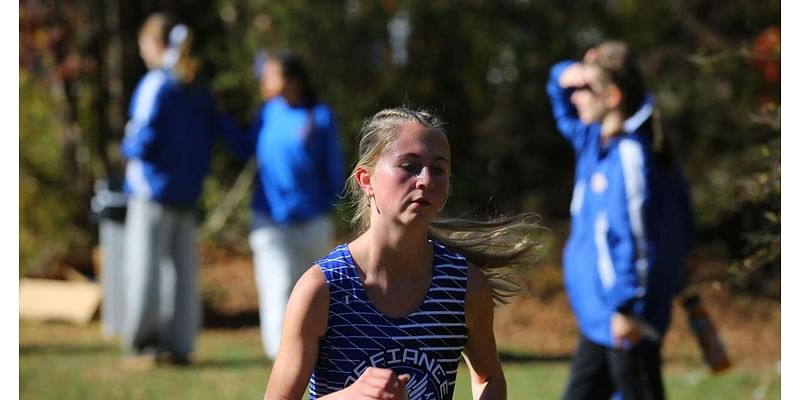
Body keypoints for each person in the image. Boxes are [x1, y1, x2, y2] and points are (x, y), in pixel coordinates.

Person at [262, 107, 543, 400]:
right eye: (409, 166)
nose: (425, 180)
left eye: (438, 169)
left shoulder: (463, 286)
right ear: (365, 180)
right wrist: (351, 397)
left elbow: (490, 378)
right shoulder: (322, 289)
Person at [546, 41, 693, 399]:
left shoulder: (630, 155)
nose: (577, 96)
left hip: (626, 321)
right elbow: (562, 104)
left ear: (612, 97)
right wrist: (563, 73)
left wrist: (628, 308)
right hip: (599, 321)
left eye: (586, 89)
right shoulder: (592, 141)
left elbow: (639, 241)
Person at [224, 51, 346, 360]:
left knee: (317, 290)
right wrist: (218, 116)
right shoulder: (266, 113)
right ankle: (281, 357)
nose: (264, 82)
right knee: (276, 285)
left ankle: (320, 352)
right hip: (269, 220)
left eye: (271, 75)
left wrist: (333, 207)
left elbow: (333, 167)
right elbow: (243, 148)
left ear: (293, 80)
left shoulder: (319, 116)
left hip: (312, 219)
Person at [120, 13, 217, 365]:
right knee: (182, 272)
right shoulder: (195, 84)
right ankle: (180, 342)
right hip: (186, 192)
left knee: (144, 267)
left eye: (144, 44)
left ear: (156, 44)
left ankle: (144, 342)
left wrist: (125, 151)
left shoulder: (156, 83)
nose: (143, 52)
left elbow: (141, 138)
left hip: (151, 191)